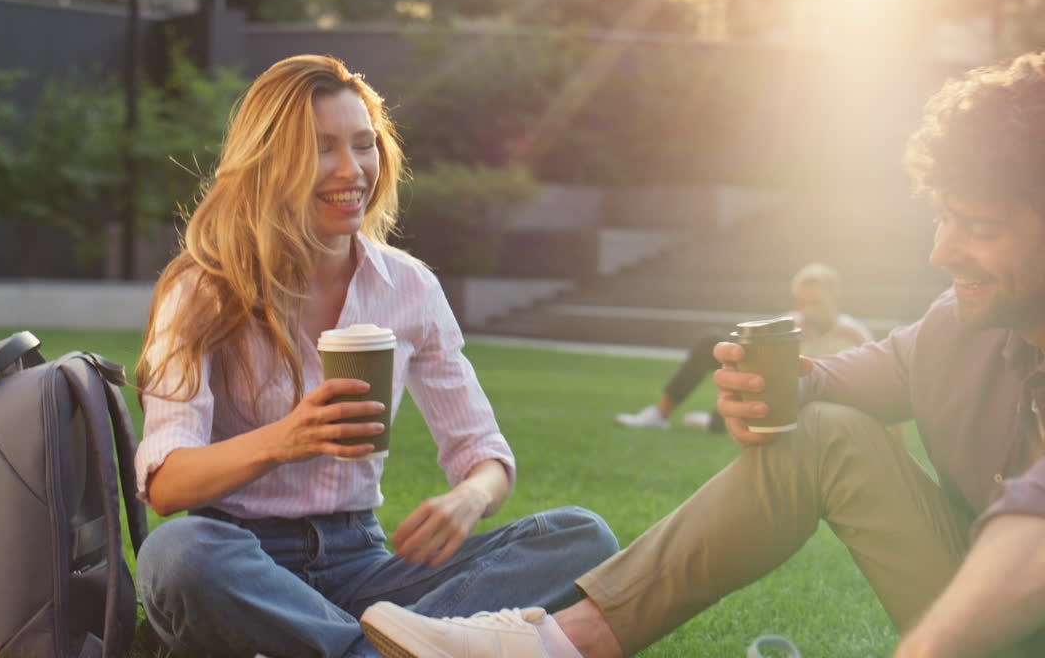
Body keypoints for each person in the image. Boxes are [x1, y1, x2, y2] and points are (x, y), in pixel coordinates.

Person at [357, 51, 1045, 658]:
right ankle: (555, 646)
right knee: (825, 431)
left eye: (977, 226)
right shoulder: (963, 326)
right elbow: (867, 373)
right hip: (991, 621)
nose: (942, 252)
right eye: (943, 217)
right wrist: (784, 389)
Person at [131, 54, 618, 658]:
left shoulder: (409, 288)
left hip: (366, 567)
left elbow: (485, 456)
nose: (352, 169)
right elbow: (167, 485)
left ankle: (339, 644)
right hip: (243, 561)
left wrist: (468, 498)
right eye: (322, 148)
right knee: (176, 557)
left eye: (364, 145)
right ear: (267, 165)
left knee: (581, 538)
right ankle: (394, 647)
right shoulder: (202, 290)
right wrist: (286, 439)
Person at [615, 262, 872, 431]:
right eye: (802, 303)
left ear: (836, 299)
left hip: (798, 411)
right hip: (762, 392)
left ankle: (713, 422)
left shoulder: (855, 335)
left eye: (816, 302)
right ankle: (659, 415)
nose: (808, 311)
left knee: (734, 418)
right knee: (713, 343)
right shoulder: (791, 323)